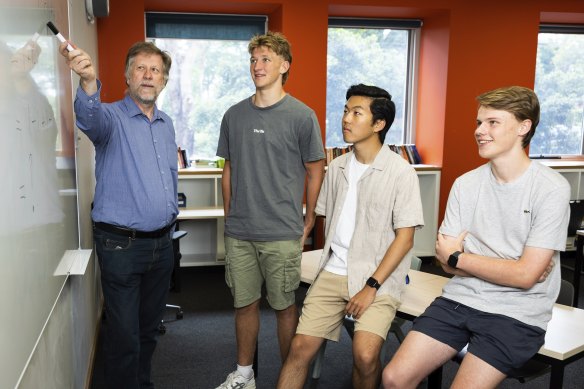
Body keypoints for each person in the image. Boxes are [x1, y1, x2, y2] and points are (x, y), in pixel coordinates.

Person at [382, 86, 571, 389]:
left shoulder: (551, 188)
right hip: (460, 298)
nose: (480, 131)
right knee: (394, 378)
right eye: (479, 123)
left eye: (492, 123)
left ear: (524, 127)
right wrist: (506, 266)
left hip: (517, 313)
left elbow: (524, 277)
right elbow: (445, 263)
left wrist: (462, 258)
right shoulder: (465, 184)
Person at [276, 84, 424, 389]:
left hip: (376, 279)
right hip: (332, 272)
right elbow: (329, 221)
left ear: (379, 124)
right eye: (346, 111)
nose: (346, 118)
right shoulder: (338, 167)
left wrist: (370, 286)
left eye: (357, 113)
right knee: (300, 347)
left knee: (365, 355)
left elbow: (405, 239)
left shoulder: (401, 173)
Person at [60, 41, 177, 389]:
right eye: (140, 68)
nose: (148, 76)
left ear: (164, 81)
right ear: (127, 75)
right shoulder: (109, 118)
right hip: (121, 246)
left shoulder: (167, 123)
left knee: (147, 332)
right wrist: (88, 83)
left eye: (155, 70)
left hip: (162, 245)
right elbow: (89, 118)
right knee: (124, 337)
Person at [215, 31, 325, 389]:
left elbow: (315, 168)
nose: (257, 66)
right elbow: (228, 169)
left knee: (285, 308)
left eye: (265, 59)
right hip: (240, 231)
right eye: (253, 60)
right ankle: (244, 374)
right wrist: (230, 216)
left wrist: (309, 217)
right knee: (244, 305)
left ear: (284, 65)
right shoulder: (233, 115)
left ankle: (286, 376)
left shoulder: (301, 116)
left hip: (281, 231)